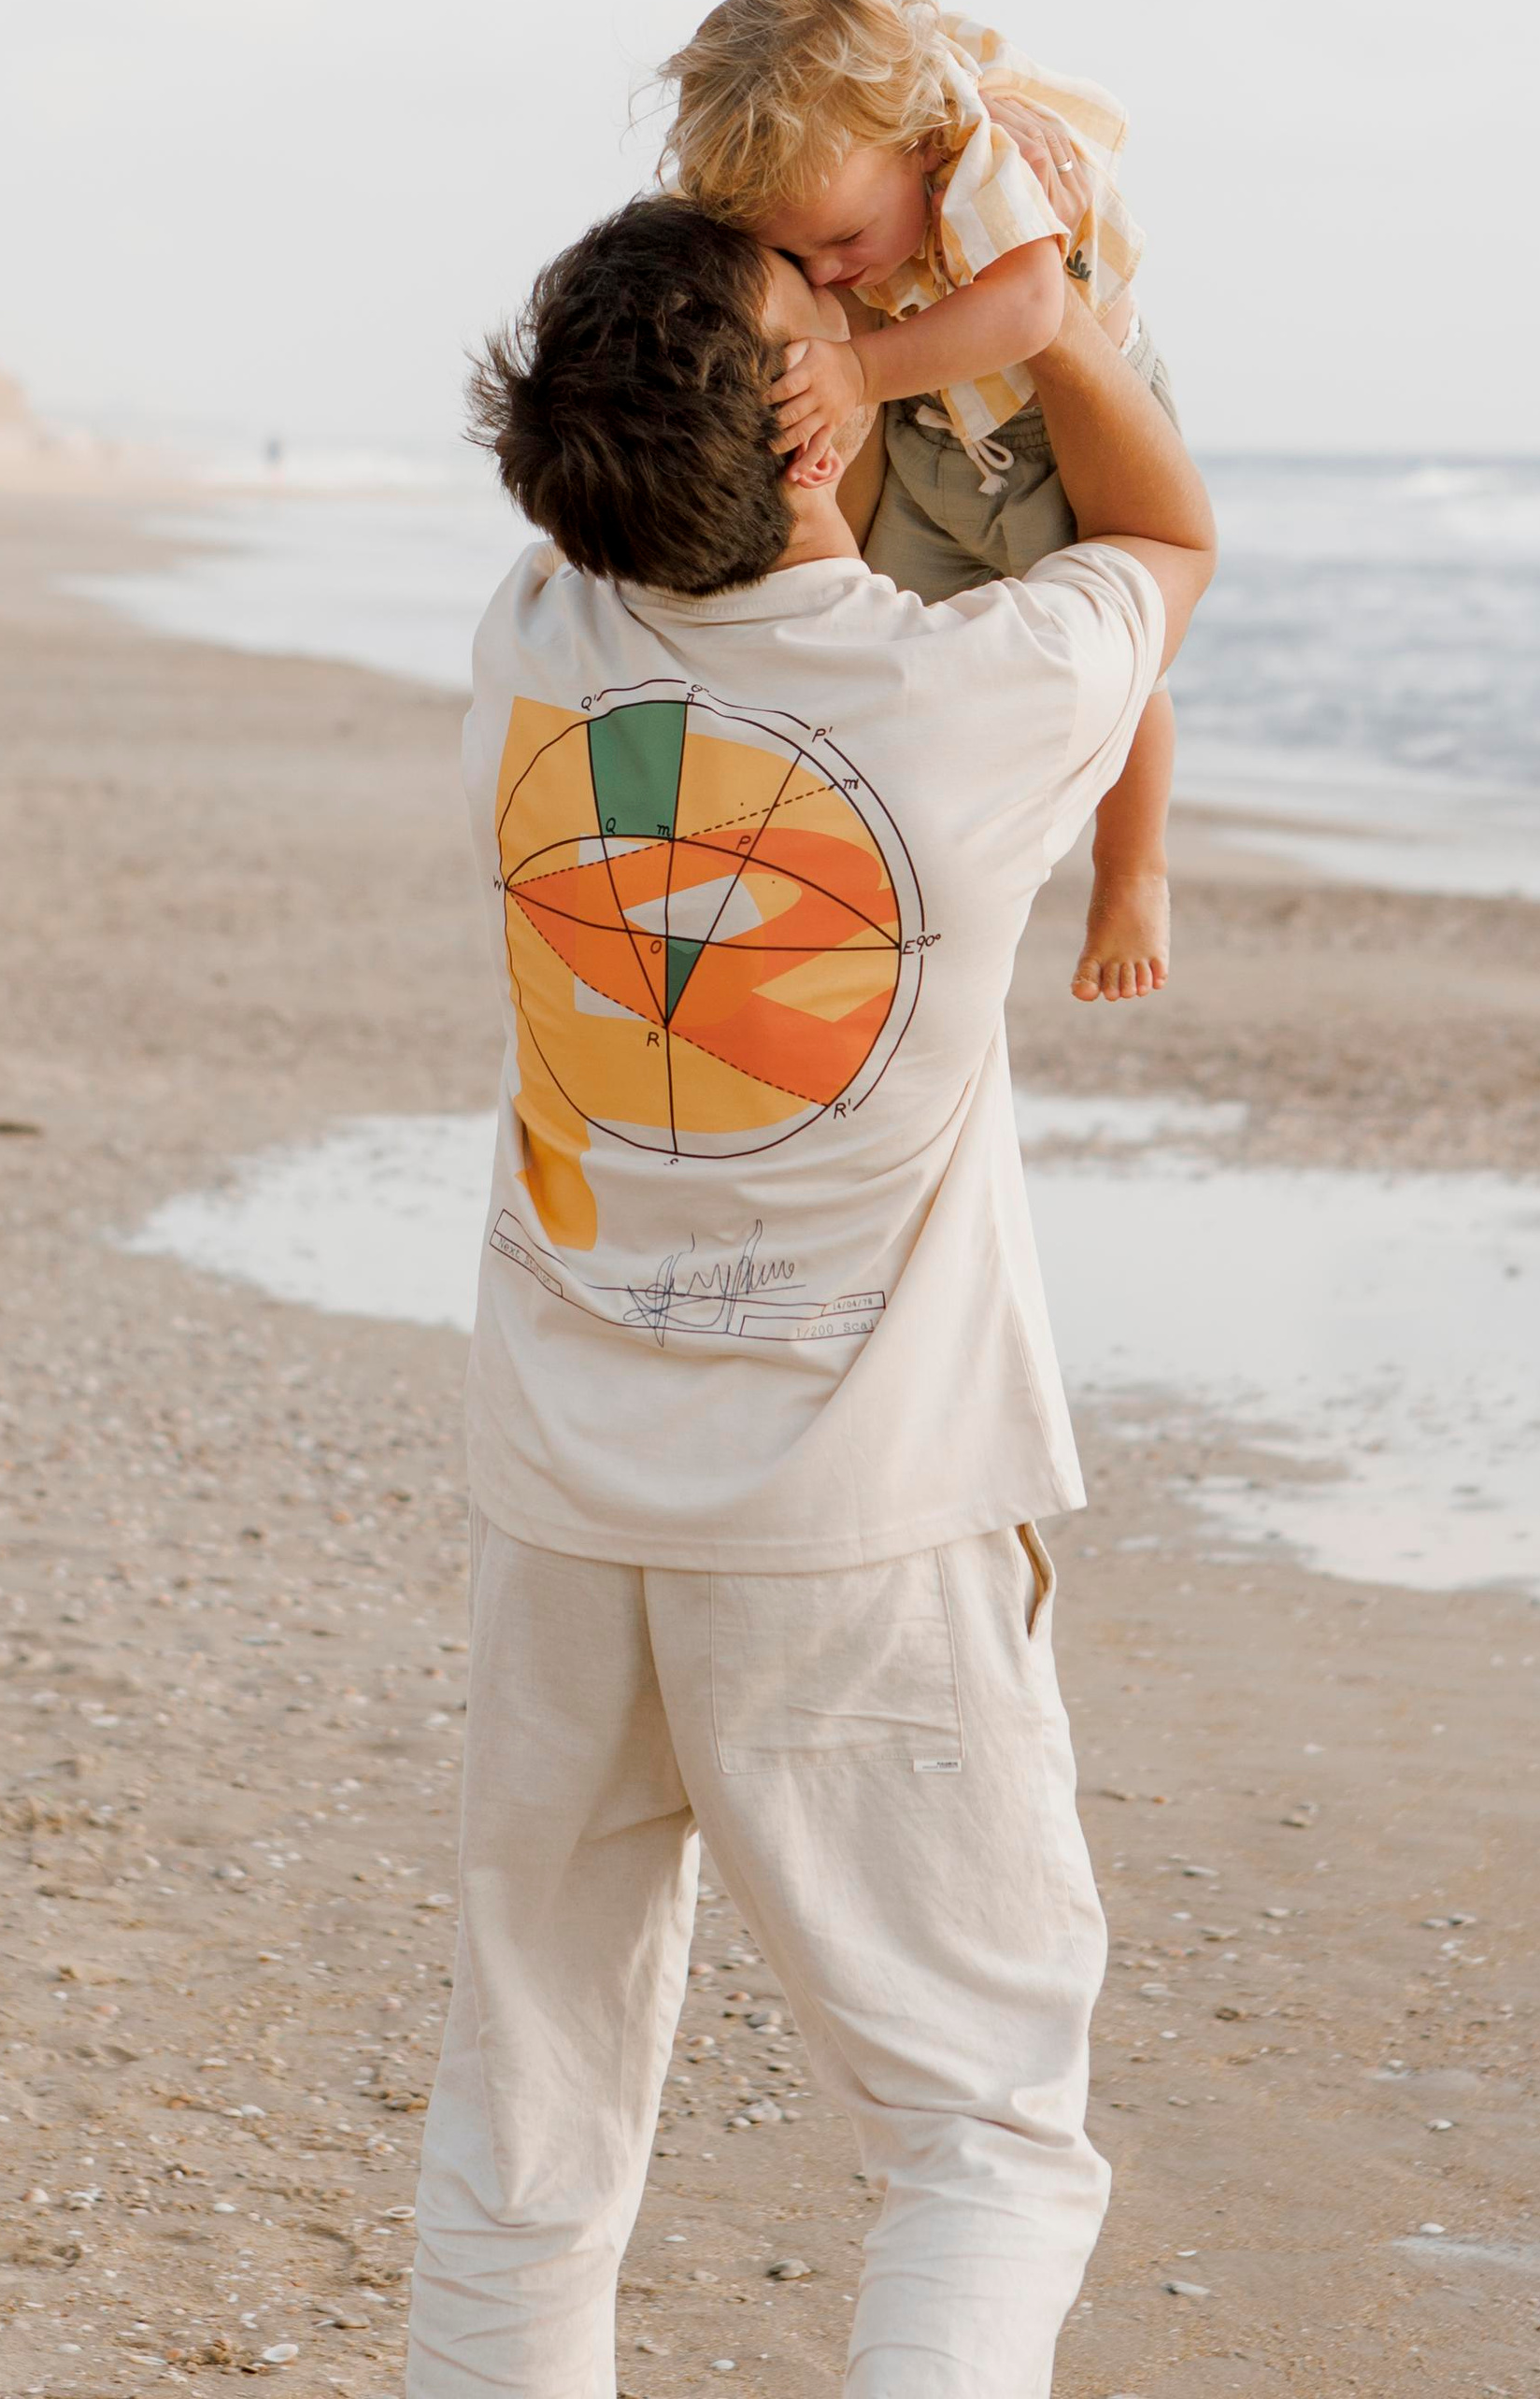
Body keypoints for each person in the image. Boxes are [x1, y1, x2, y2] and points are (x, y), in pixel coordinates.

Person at [408, 196, 1216, 2399]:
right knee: (981, 2143)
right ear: (795, 431)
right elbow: (1163, 537)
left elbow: (642, 394)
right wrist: (1009, 325)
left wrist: (791, 335)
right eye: (819, 332)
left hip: (564, 1500)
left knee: (525, 2123)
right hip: (857, 1518)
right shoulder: (970, 692)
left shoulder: (529, 634)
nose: (850, 328)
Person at [658, 0, 1179, 1005]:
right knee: (882, 645)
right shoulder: (837, 169)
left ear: (920, 145)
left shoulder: (980, 155)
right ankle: (862, 854)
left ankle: (1131, 870)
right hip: (938, 430)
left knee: (1125, 657)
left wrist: (854, 369)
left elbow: (1032, 308)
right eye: (793, 252)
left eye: (846, 239)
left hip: (1053, 430)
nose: (830, 270)